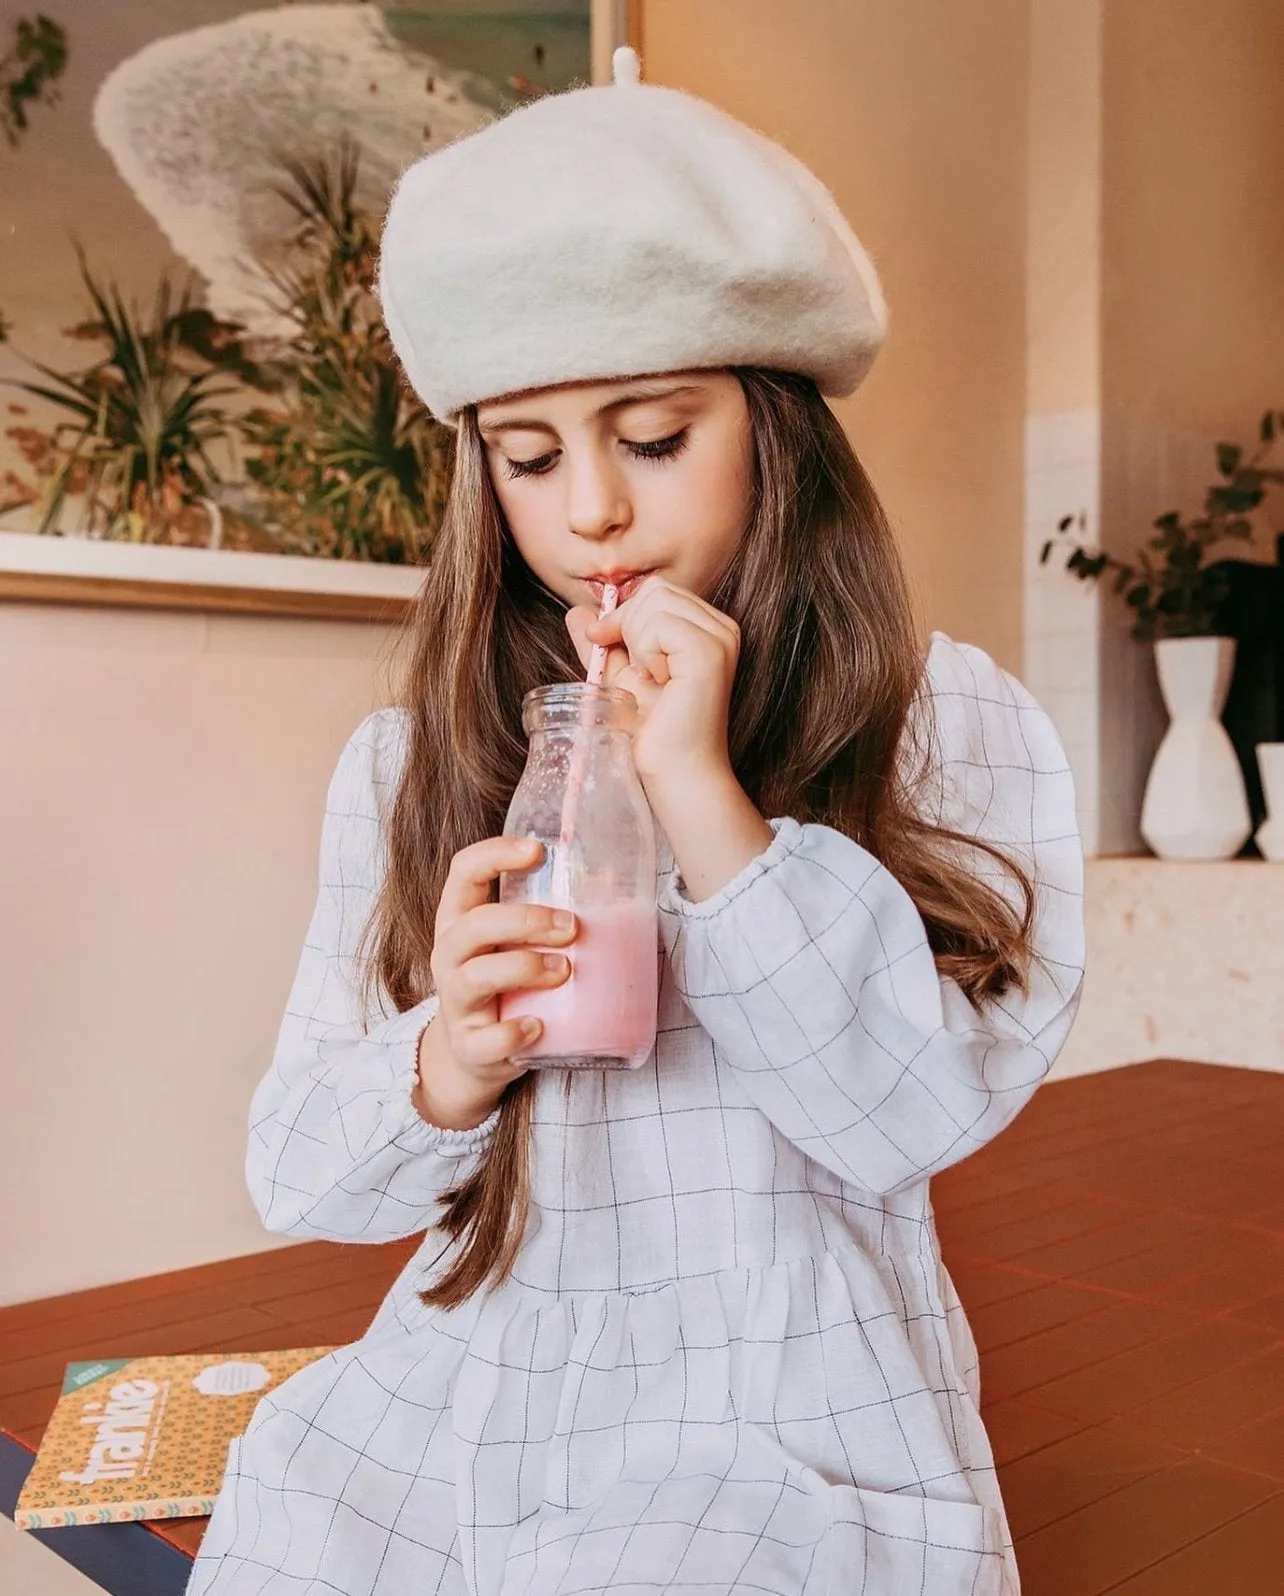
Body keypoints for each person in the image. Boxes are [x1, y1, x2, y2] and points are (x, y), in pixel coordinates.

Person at [187, 49, 1084, 1596]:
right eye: (528, 458)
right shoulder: (418, 759)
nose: (589, 508)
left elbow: (903, 1120)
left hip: (781, 1409)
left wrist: (702, 794)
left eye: (653, 437)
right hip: (469, 1385)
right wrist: (450, 1057)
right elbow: (297, 1179)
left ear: (776, 433)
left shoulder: (943, 721)